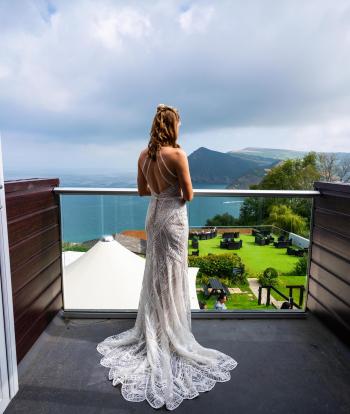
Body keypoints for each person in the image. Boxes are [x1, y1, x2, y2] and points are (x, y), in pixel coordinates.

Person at [96, 104, 237, 410]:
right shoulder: (177, 155)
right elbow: (189, 193)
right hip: (173, 219)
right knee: (173, 272)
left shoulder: (143, 155)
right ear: (173, 126)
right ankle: (171, 331)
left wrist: (160, 189)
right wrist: (175, 188)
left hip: (153, 215)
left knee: (156, 274)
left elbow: (141, 190)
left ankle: (155, 327)